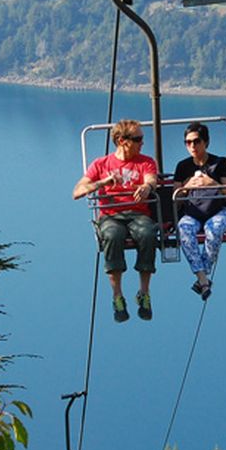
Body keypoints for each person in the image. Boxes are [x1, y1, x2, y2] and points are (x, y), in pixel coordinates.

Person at [73, 119, 159, 322]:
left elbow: (151, 178)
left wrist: (147, 187)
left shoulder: (145, 161)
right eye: (138, 139)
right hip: (111, 215)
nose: (142, 143)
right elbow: (77, 192)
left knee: (147, 234)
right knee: (112, 236)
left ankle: (144, 293)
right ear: (122, 141)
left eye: (142, 139)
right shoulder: (101, 164)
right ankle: (117, 296)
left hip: (138, 213)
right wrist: (103, 182)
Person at [172, 122, 226, 300]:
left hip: (218, 211)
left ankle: (202, 278)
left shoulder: (220, 163)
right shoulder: (183, 167)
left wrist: (212, 184)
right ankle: (203, 279)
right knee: (184, 229)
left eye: (196, 141)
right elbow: (175, 199)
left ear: (206, 142)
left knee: (213, 229)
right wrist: (186, 187)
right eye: (188, 142)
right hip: (193, 213)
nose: (192, 146)